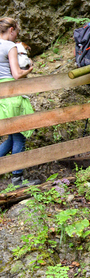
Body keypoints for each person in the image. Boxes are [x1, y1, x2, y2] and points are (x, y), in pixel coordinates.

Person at [0, 17, 38, 187]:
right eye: (17, 32)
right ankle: (17, 179)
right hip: (12, 92)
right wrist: (29, 68)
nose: (16, 36)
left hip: (1, 94)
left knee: (12, 137)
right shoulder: (10, 46)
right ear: (11, 30)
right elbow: (16, 74)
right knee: (20, 136)